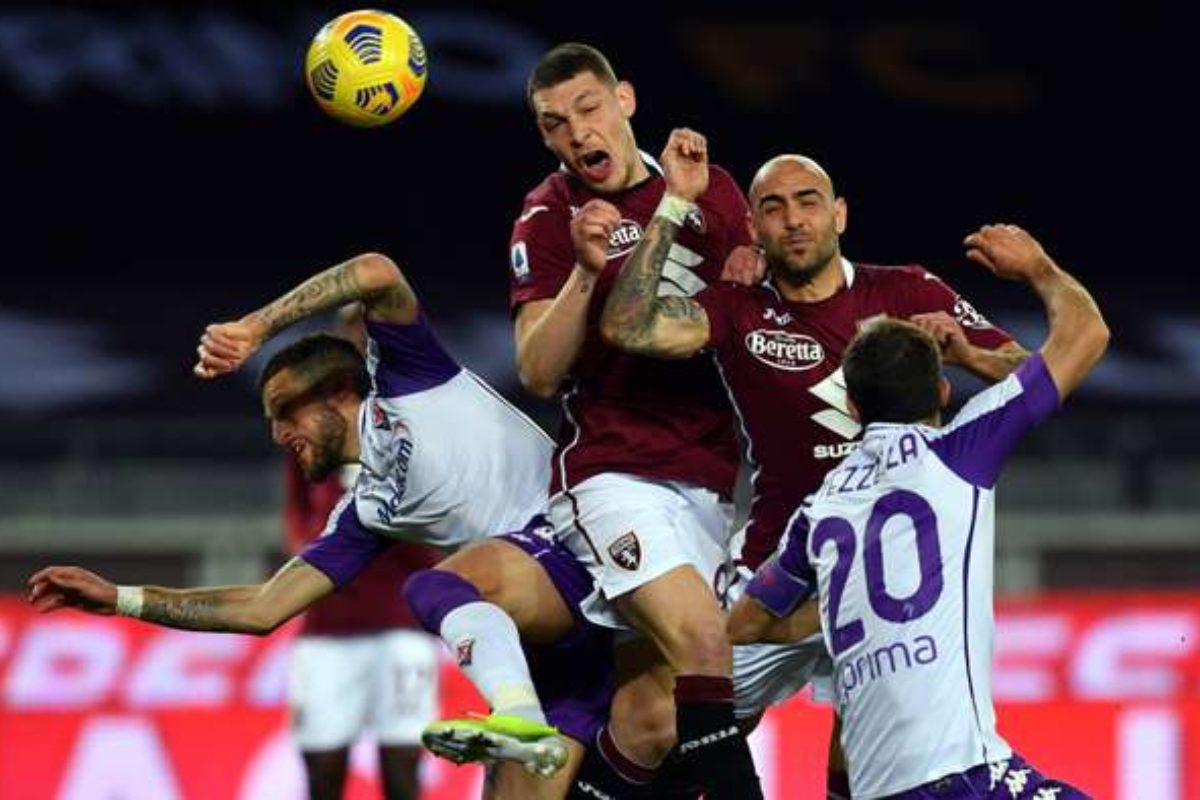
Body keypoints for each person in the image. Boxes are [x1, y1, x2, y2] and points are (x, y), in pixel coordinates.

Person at [26, 252, 610, 799]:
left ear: (336, 393)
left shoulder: (413, 379)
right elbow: (261, 608)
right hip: (553, 644)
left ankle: (519, 715)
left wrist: (255, 330)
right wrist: (119, 598)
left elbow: (376, 271)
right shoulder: (367, 514)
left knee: (433, 586)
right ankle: (525, 715)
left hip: (584, 557)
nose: (279, 434)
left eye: (285, 411)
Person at [600, 148, 1028, 792]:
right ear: (754, 227)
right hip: (780, 568)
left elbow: (1026, 372)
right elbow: (630, 327)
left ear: (840, 214)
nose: (794, 220)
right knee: (659, 723)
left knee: (865, 768)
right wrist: (674, 205)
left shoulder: (907, 289)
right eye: (773, 208)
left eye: (808, 202)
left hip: (890, 582)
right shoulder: (737, 306)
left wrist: (966, 352)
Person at [729, 224, 1106, 798]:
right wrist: (1037, 269)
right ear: (942, 393)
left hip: (877, 788)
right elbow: (1086, 334)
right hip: (962, 773)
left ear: (853, 406)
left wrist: (838, 608)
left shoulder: (820, 508)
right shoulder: (961, 453)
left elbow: (746, 623)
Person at [501, 42, 762, 799]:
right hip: (615, 474)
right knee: (705, 645)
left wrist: (750, 257)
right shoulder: (550, 216)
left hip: (714, 484)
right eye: (555, 124)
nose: (578, 134)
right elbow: (538, 371)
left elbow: (754, 301)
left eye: (588, 109)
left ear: (626, 101)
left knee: (658, 717)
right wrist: (585, 270)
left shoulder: (713, 191)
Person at [279, 303, 443, 800]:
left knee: (401, 774)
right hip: (329, 626)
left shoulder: (421, 416)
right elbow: (295, 512)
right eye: (353, 334)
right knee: (323, 774)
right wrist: (322, 552)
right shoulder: (310, 418)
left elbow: (439, 519)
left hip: (401, 620)